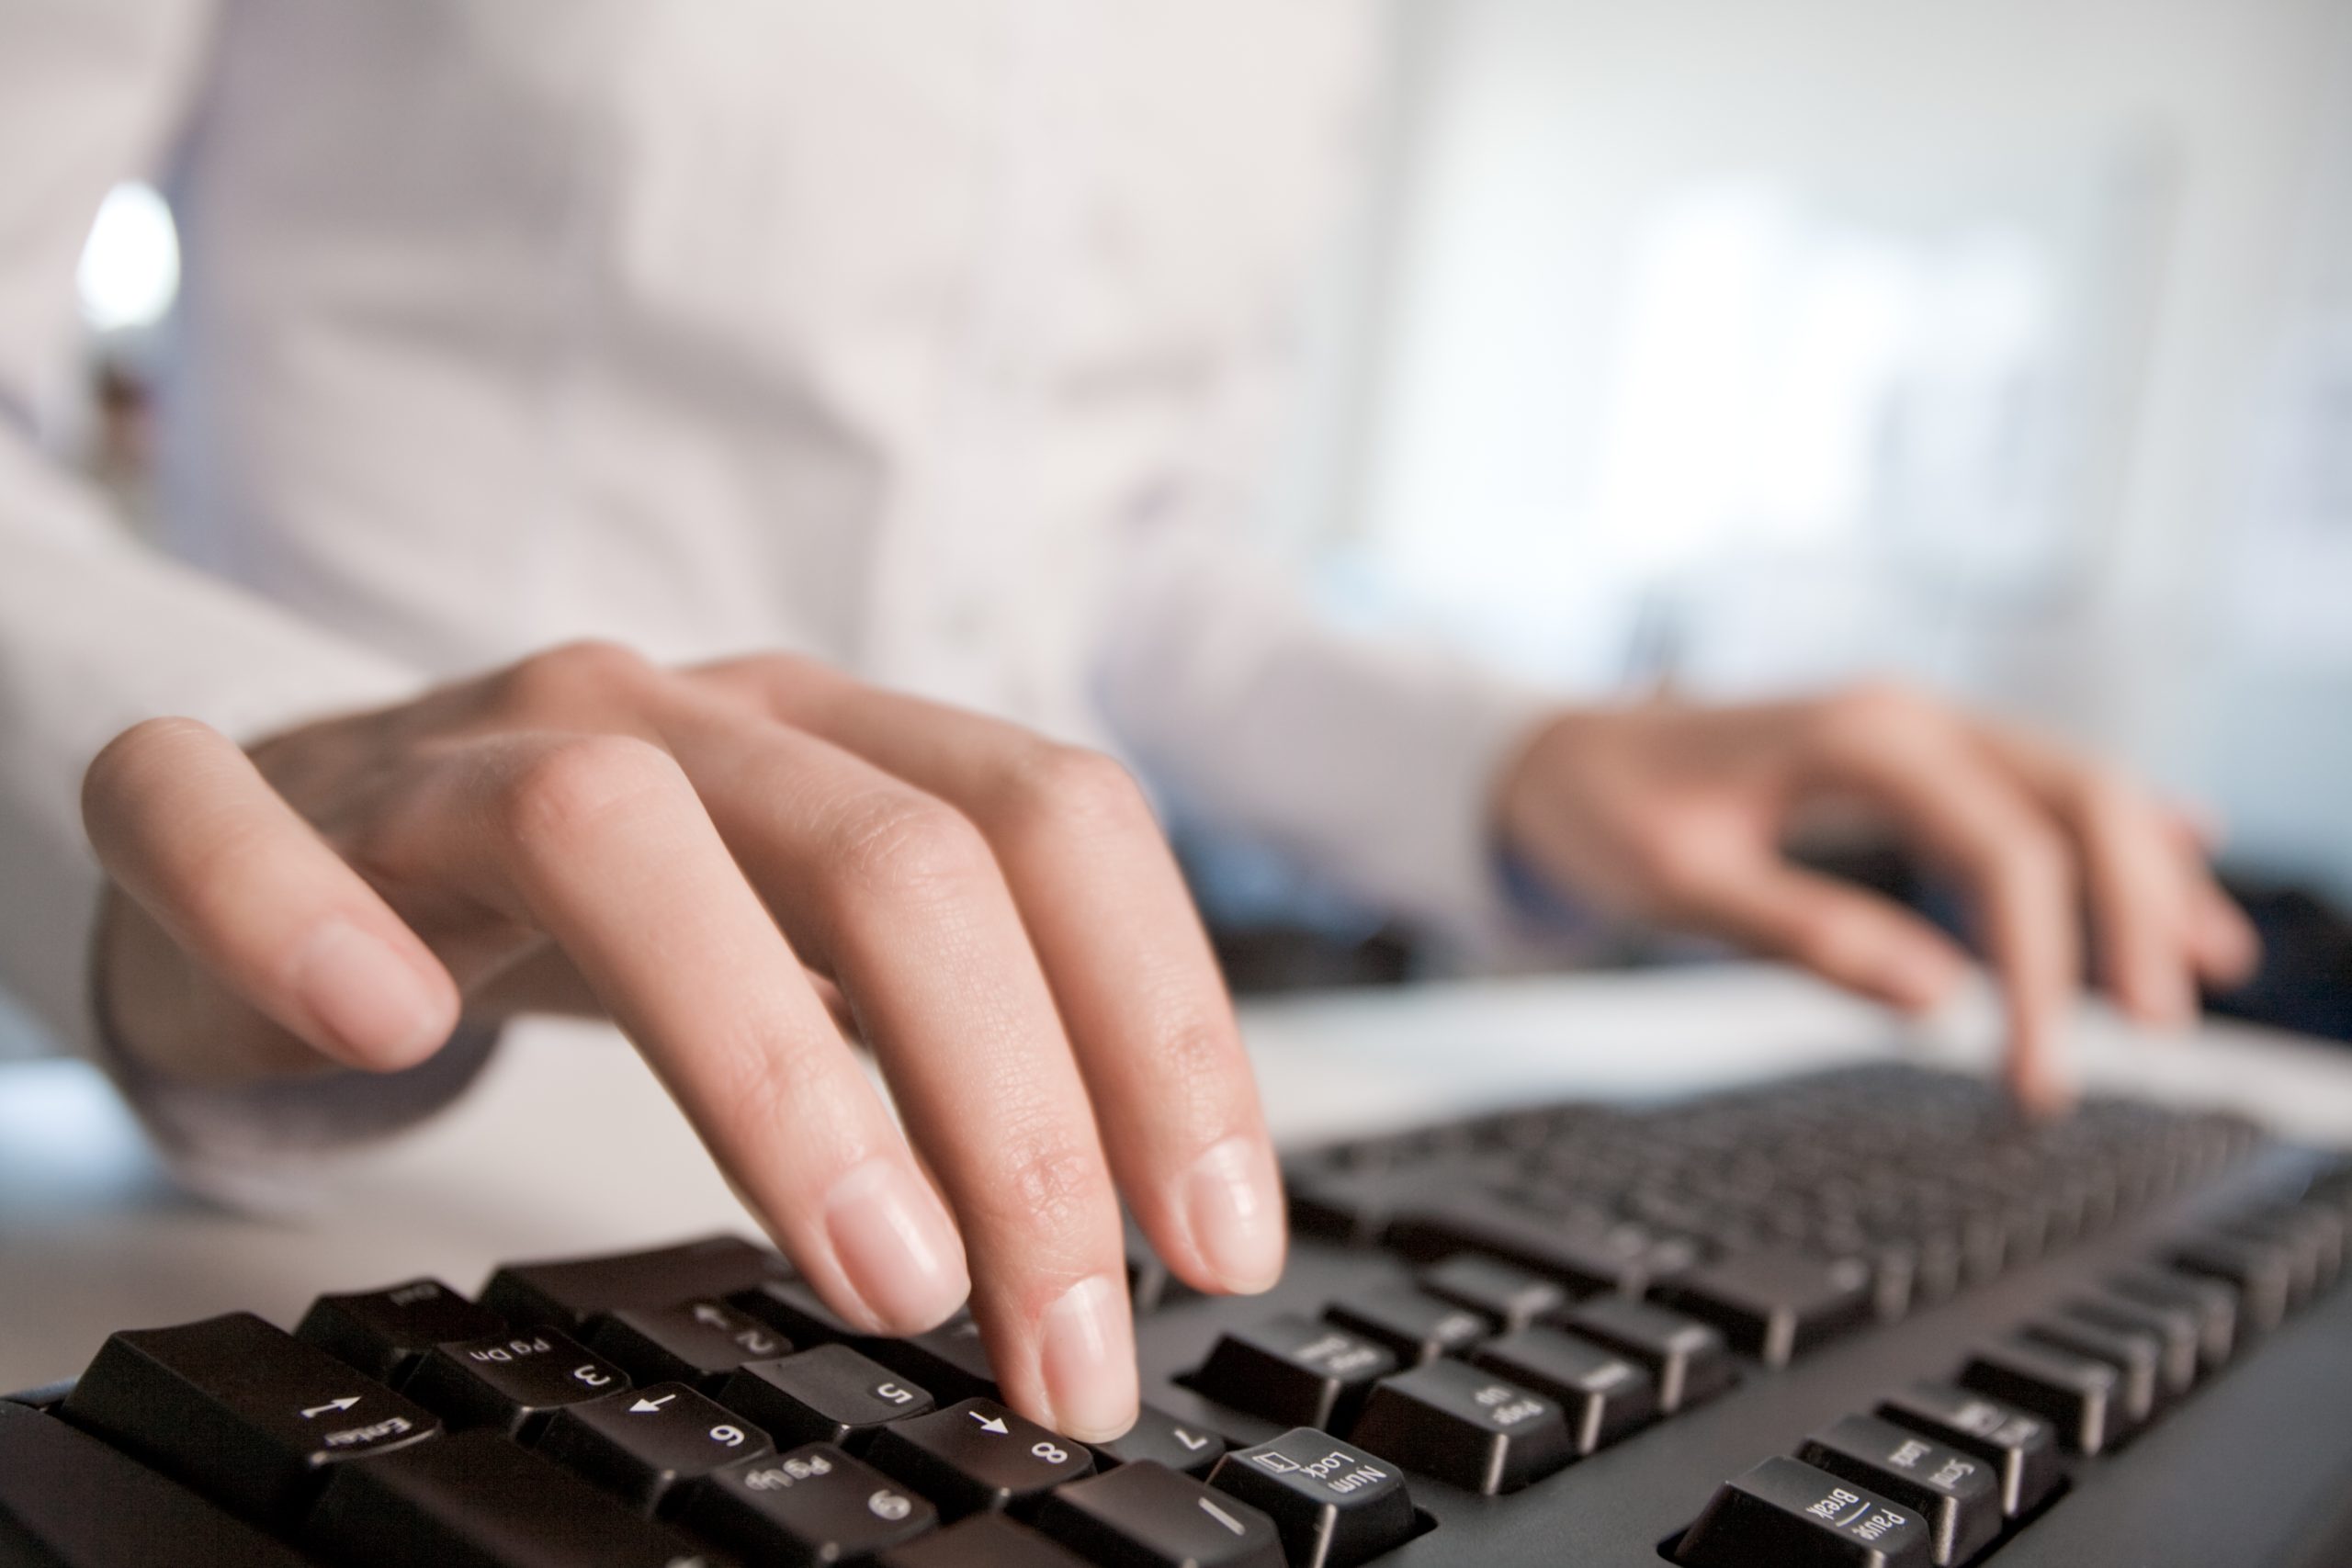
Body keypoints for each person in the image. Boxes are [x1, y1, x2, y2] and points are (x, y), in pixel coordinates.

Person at [0, 3, 2256, 1444]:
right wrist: (255, 784)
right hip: (367, 1128)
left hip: (1072, 1129)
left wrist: (1513, 759)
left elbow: (1125, 560)